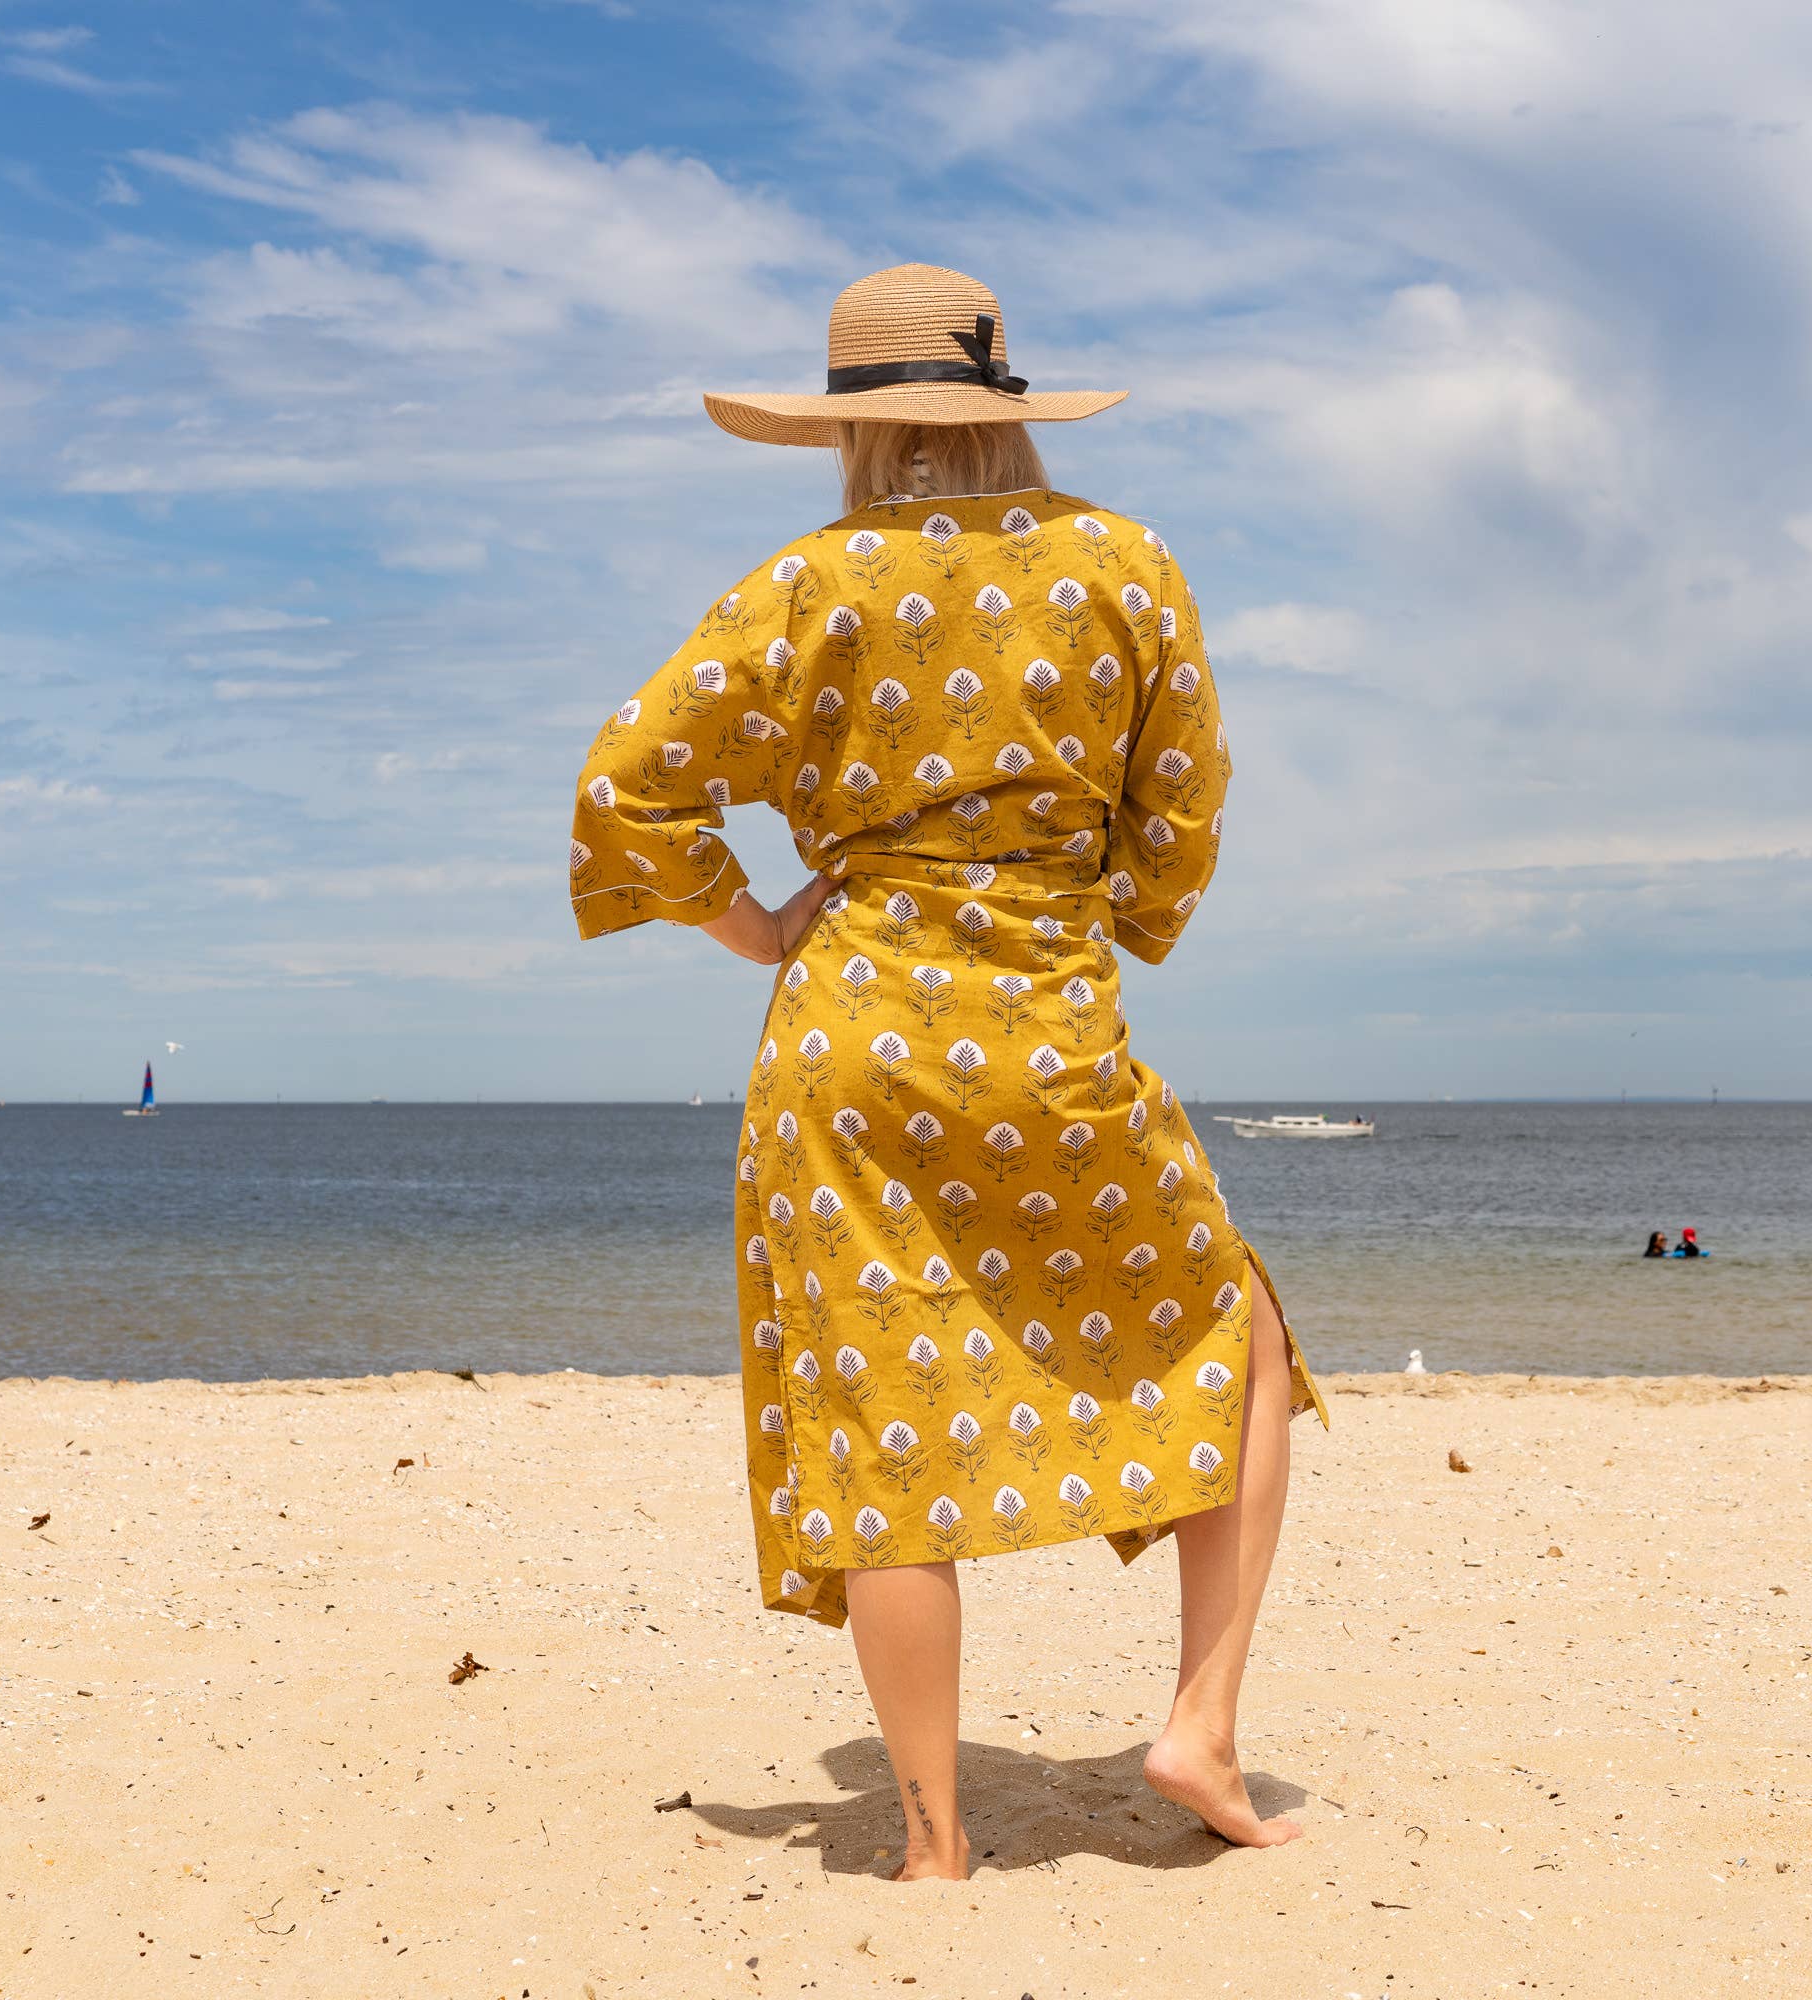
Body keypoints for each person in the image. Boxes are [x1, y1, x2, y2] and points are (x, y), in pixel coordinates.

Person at [568, 266, 1329, 1879]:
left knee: (885, 1423)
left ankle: (932, 1846)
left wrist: (759, 926)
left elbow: (626, 788)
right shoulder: (1126, 565)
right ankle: (1201, 1723)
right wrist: (1105, 908)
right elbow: (1183, 816)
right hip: (1048, 1028)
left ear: (857, 426)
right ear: (1002, 407)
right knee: (1234, 1328)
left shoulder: (805, 585)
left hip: (851, 1041)